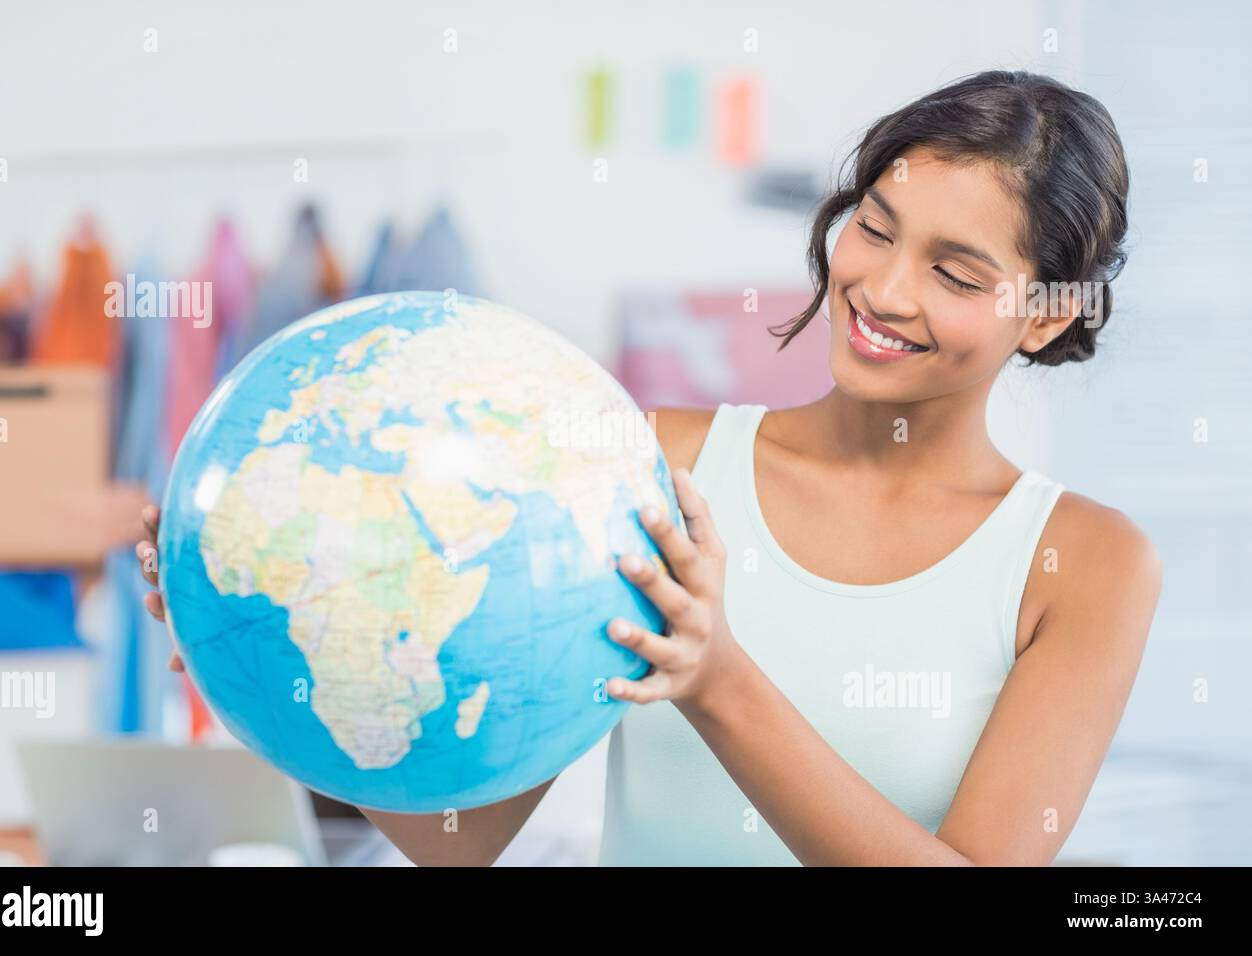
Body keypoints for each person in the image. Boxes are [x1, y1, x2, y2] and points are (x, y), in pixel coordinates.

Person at [137, 70, 1162, 866]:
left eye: (952, 271)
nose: (882, 288)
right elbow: (462, 838)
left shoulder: (1086, 562)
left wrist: (717, 682)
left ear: (1046, 311)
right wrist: (303, 648)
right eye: (874, 228)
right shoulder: (649, 460)